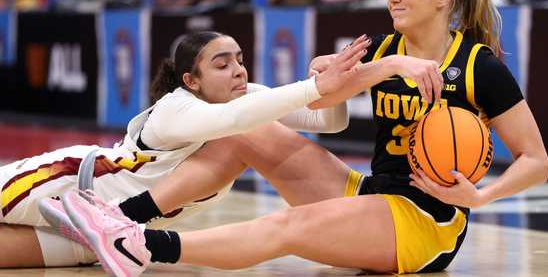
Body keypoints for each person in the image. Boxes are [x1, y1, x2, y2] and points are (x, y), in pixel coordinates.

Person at [52, 0, 548, 276]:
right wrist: (332, 75)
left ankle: (139, 244)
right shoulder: (378, 49)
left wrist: (481, 197)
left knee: (286, 226)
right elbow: (323, 106)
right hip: (370, 191)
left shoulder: (477, 66)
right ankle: (116, 215)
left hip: (427, 221)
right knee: (247, 127)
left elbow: (535, 161)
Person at [0, 30, 371, 268]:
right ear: (191, 81)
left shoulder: (246, 100)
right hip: (66, 183)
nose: (239, 71)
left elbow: (329, 123)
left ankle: (119, 225)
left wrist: (330, 87)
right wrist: (314, 89)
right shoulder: (174, 108)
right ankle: (120, 217)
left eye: (240, 60)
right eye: (223, 64)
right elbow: (233, 122)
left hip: (100, 238)